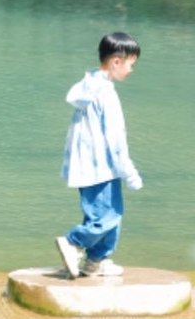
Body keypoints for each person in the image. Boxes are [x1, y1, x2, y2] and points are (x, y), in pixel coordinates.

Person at [55, 31, 143, 279]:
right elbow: (115, 139)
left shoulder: (89, 85)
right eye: (131, 64)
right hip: (101, 166)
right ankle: (73, 242)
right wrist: (129, 171)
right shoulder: (105, 94)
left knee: (103, 214)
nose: (132, 70)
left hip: (87, 164)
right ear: (116, 61)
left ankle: (94, 262)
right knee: (108, 216)